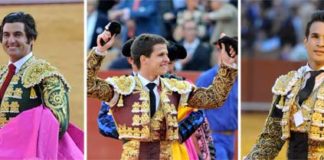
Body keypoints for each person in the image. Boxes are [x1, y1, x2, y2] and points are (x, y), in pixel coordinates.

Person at [87, 28, 237, 159]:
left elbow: (214, 98)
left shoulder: (177, 88)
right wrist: (99, 51)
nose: (167, 59)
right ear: (144, 59)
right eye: (161, 55)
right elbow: (89, 86)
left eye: (166, 55)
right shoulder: (121, 88)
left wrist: (227, 65)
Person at [0, 12, 81, 159]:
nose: (10, 40)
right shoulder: (1, 74)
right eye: (6, 35)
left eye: (17, 34)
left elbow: (58, 124)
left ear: (31, 39)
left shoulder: (45, 75)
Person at [245, 10, 324, 159]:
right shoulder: (288, 84)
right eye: (315, 37)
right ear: (305, 41)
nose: (320, 43)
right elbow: (270, 139)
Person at [196, 38, 238, 160]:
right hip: (214, 137)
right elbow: (196, 111)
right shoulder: (206, 78)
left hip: (231, 137)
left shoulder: (236, 78)